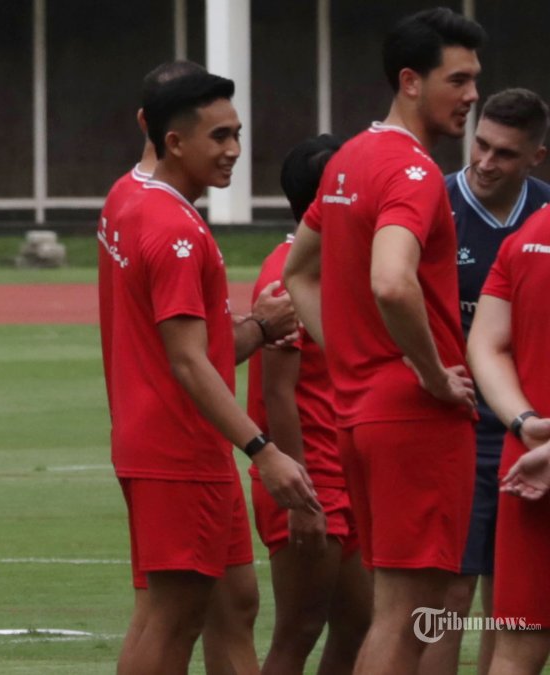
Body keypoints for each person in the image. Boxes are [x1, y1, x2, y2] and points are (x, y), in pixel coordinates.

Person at [283, 8, 485, 673]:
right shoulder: (414, 172)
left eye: (475, 80)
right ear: (409, 80)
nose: (472, 95)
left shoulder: (348, 160)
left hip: (362, 412)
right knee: (407, 619)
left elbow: (298, 271)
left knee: (395, 612)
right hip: (414, 418)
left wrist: (346, 353)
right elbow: (392, 282)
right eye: (457, 80)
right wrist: (428, 371)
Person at [100, 64, 318, 675]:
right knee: (171, 618)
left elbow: (188, 343)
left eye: (237, 133)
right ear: (174, 141)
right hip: (178, 449)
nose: (234, 151)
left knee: (235, 604)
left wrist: (259, 327)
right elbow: (188, 362)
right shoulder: (174, 229)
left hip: (178, 442)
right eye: (219, 137)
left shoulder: (127, 194)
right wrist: (264, 451)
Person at [420, 88, 550, 675]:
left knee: (515, 605)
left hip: (529, 427)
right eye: (481, 144)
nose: (486, 162)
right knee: (450, 596)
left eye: (505, 153)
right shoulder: (433, 205)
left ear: (536, 158)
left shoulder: (543, 215)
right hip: (460, 422)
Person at [248, 135, 372, 675]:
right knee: (298, 631)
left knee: (360, 624)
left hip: (343, 476)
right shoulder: (286, 279)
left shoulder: (332, 266)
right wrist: (302, 499)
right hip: (308, 478)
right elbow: (277, 393)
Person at [467, 205, 550, 675]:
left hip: (529, 462)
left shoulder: (528, 234)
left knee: (516, 650)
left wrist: (523, 422)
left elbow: (486, 342)